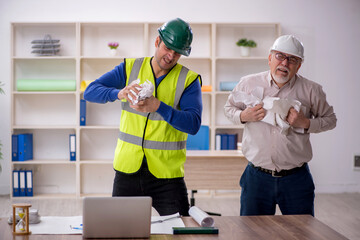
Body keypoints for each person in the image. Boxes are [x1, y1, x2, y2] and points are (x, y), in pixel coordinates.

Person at [84, 18, 202, 216]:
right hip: (127, 169)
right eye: (167, 48)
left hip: (167, 176)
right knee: (120, 230)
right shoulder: (130, 68)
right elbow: (90, 91)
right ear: (157, 42)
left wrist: (158, 106)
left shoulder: (188, 80)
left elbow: (193, 124)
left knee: (179, 231)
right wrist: (119, 93)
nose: (171, 56)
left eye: (177, 52)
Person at [224, 35, 337, 216]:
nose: (285, 63)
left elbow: (331, 119)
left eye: (292, 59)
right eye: (280, 56)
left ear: (299, 65)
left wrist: (306, 123)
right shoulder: (248, 83)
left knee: (300, 233)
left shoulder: (312, 90)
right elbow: (229, 108)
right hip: (256, 177)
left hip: (296, 179)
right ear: (270, 58)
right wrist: (243, 116)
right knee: (252, 233)